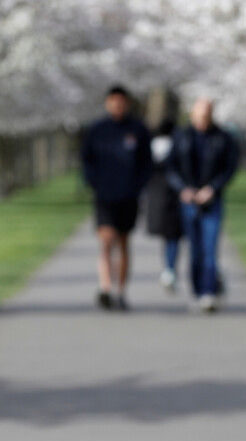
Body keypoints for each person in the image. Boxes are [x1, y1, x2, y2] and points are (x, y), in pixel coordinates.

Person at [82, 85, 152, 310]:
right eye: (113, 102)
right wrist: (94, 184)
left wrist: (137, 187)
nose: (117, 106)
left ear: (127, 103)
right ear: (107, 103)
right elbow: (87, 160)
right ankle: (105, 288)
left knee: (122, 243)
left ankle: (120, 291)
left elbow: (146, 163)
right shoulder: (97, 129)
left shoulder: (138, 130)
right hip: (104, 195)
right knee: (106, 240)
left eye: (121, 102)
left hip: (128, 197)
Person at [166, 98, 239, 313]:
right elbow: (171, 167)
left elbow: (229, 168)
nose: (204, 119)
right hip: (189, 200)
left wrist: (213, 189)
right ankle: (197, 292)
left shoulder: (223, 138)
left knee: (210, 248)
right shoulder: (181, 136)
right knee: (195, 249)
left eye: (207, 115)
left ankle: (209, 292)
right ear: (193, 114)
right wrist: (183, 189)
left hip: (212, 201)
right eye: (200, 115)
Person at [146, 118, 183, 292]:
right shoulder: (178, 145)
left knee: (167, 237)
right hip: (175, 196)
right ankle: (170, 269)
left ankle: (168, 269)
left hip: (157, 196)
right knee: (173, 236)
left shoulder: (152, 145)